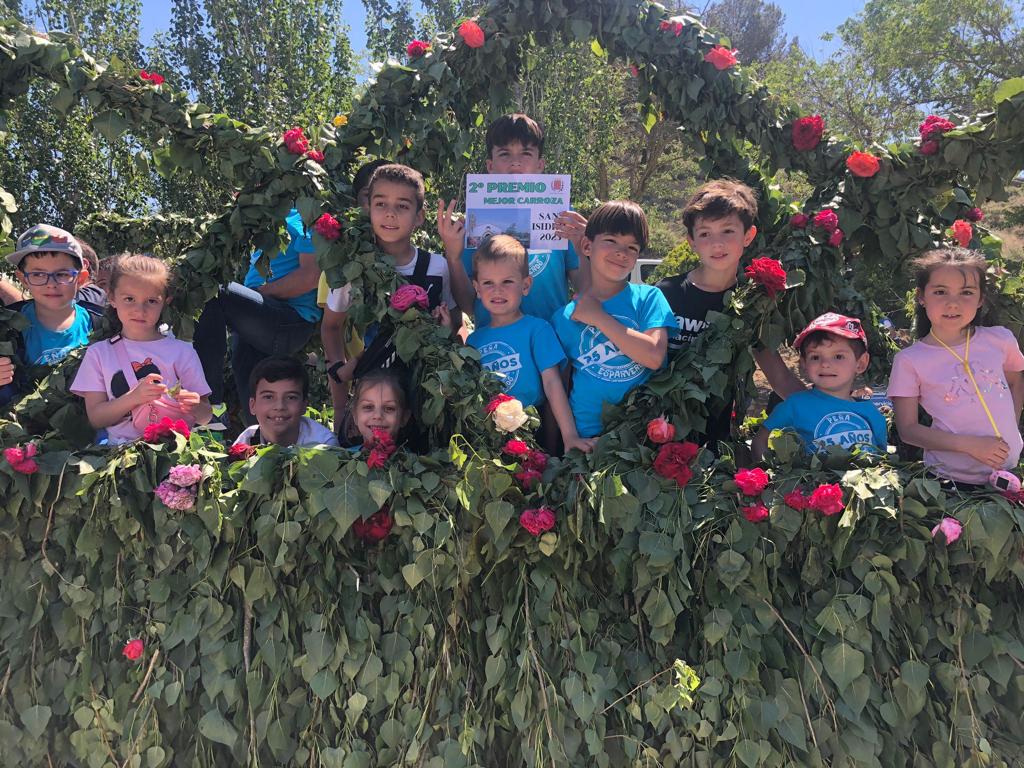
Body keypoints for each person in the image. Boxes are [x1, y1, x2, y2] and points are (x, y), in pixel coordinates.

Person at [655, 179, 803, 447]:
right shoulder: (666, 294)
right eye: (705, 234)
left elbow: (779, 377)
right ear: (691, 241)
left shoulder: (751, 305)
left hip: (716, 447)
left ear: (748, 235)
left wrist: (829, 408)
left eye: (727, 231)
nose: (717, 243)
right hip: (655, 438)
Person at [889, 247, 1024, 488]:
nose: (953, 304)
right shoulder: (910, 360)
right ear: (921, 296)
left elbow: (1015, 381)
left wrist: (1010, 429)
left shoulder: (1000, 340)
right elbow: (908, 429)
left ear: (981, 298)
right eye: (940, 292)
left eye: (967, 292)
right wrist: (969, 445)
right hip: (949, 482)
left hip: (1008, 473)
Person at [441, 113, 589, 327]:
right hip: (495, 347)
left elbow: (584, 288)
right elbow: (469, 306)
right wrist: (453, 256)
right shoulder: (475, 223)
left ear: (540, 165)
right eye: (504, 154)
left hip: (555, 342)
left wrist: (583, 247)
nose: (516, 163)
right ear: (490, 166)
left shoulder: (563, 215)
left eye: (526, 153)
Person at [322, 163, 458, 387]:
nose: (390, 214)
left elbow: (454, 325)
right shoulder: (353, 270)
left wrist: (447, 329)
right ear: (368, 208)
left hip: (427, 389)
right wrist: (338, 370)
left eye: (402, 206)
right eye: (381, 204)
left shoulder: (437, 267)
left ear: (419, 216)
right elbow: (331, 326)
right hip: (374, 392)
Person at [552, 201, 678, 440]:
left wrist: (598, 317)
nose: (622, 252)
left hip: (642, 436)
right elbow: (556, 387)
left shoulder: (649, 298)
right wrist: (567, 439)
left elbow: (653, 356)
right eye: (611, 241)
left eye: (632, 247)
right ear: (587, 246)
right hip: (587, 438)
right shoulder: (563, 317)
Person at [193, 206, 322, 426]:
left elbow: (310, 276)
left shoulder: (305, 213)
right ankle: (263, 450)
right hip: (261, 322)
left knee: (215, 292)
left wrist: (258, 294)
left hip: (288, 320)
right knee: (255, 404)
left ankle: (210, 403)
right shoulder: (267, 218)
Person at [467, 234, 593, 453]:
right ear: (477, 289)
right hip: (486, 439)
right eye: (488, 283)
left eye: (507, 281)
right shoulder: (473, 340)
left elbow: (553, 386)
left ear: (525, 285)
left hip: (533, 429)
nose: (497, 290)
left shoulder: (538, 330)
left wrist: (569, 436)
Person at [71, 253, 213, 443]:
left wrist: (195, 406)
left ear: (165, 301)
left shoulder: (182, 352)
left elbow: (206, 416)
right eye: (129, 299)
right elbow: (96, 418)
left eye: (151, 301)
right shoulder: (98, 353)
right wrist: (133, 398)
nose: (140, 310)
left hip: (175, 459)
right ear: (112, 298)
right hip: (120, 458)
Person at [752, 313, 887, 459]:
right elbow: (760, 440)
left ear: (860, 363)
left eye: (838, 356)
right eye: (815, 357)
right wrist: (771, 476)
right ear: (803, 363)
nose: (825, 364)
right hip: (812, 481)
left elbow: (882, 457)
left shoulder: (870, 411)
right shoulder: (795, 405)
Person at [320, 157, 391, 418]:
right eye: (368, 197)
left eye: (388, 199)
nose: (379, 208)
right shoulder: (342, 268)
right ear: (356, 204)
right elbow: (332, 329)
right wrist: (340, 409)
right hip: (366, 391)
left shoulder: (419, 262)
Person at [0, 224, 103, 406]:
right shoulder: (6, 327)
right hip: (24, 430)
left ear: (80, 278)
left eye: (62, 274)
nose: (51, 283)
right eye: (38, 274)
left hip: (89, 426)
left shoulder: (101, 323)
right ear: (23, 279)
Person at [233, 356, 337, 447]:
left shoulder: (323, 445)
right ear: (252, 405)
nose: (280, 406)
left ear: (304, 405)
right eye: (268, 397)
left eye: (291, 397)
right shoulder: (246, 442)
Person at [338, 368, 411, 449]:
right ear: (355, 414)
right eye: (368, 407)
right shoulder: (341, 459)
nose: (378, 416)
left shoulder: (413, 461)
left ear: (404, 417)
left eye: (389, 408)